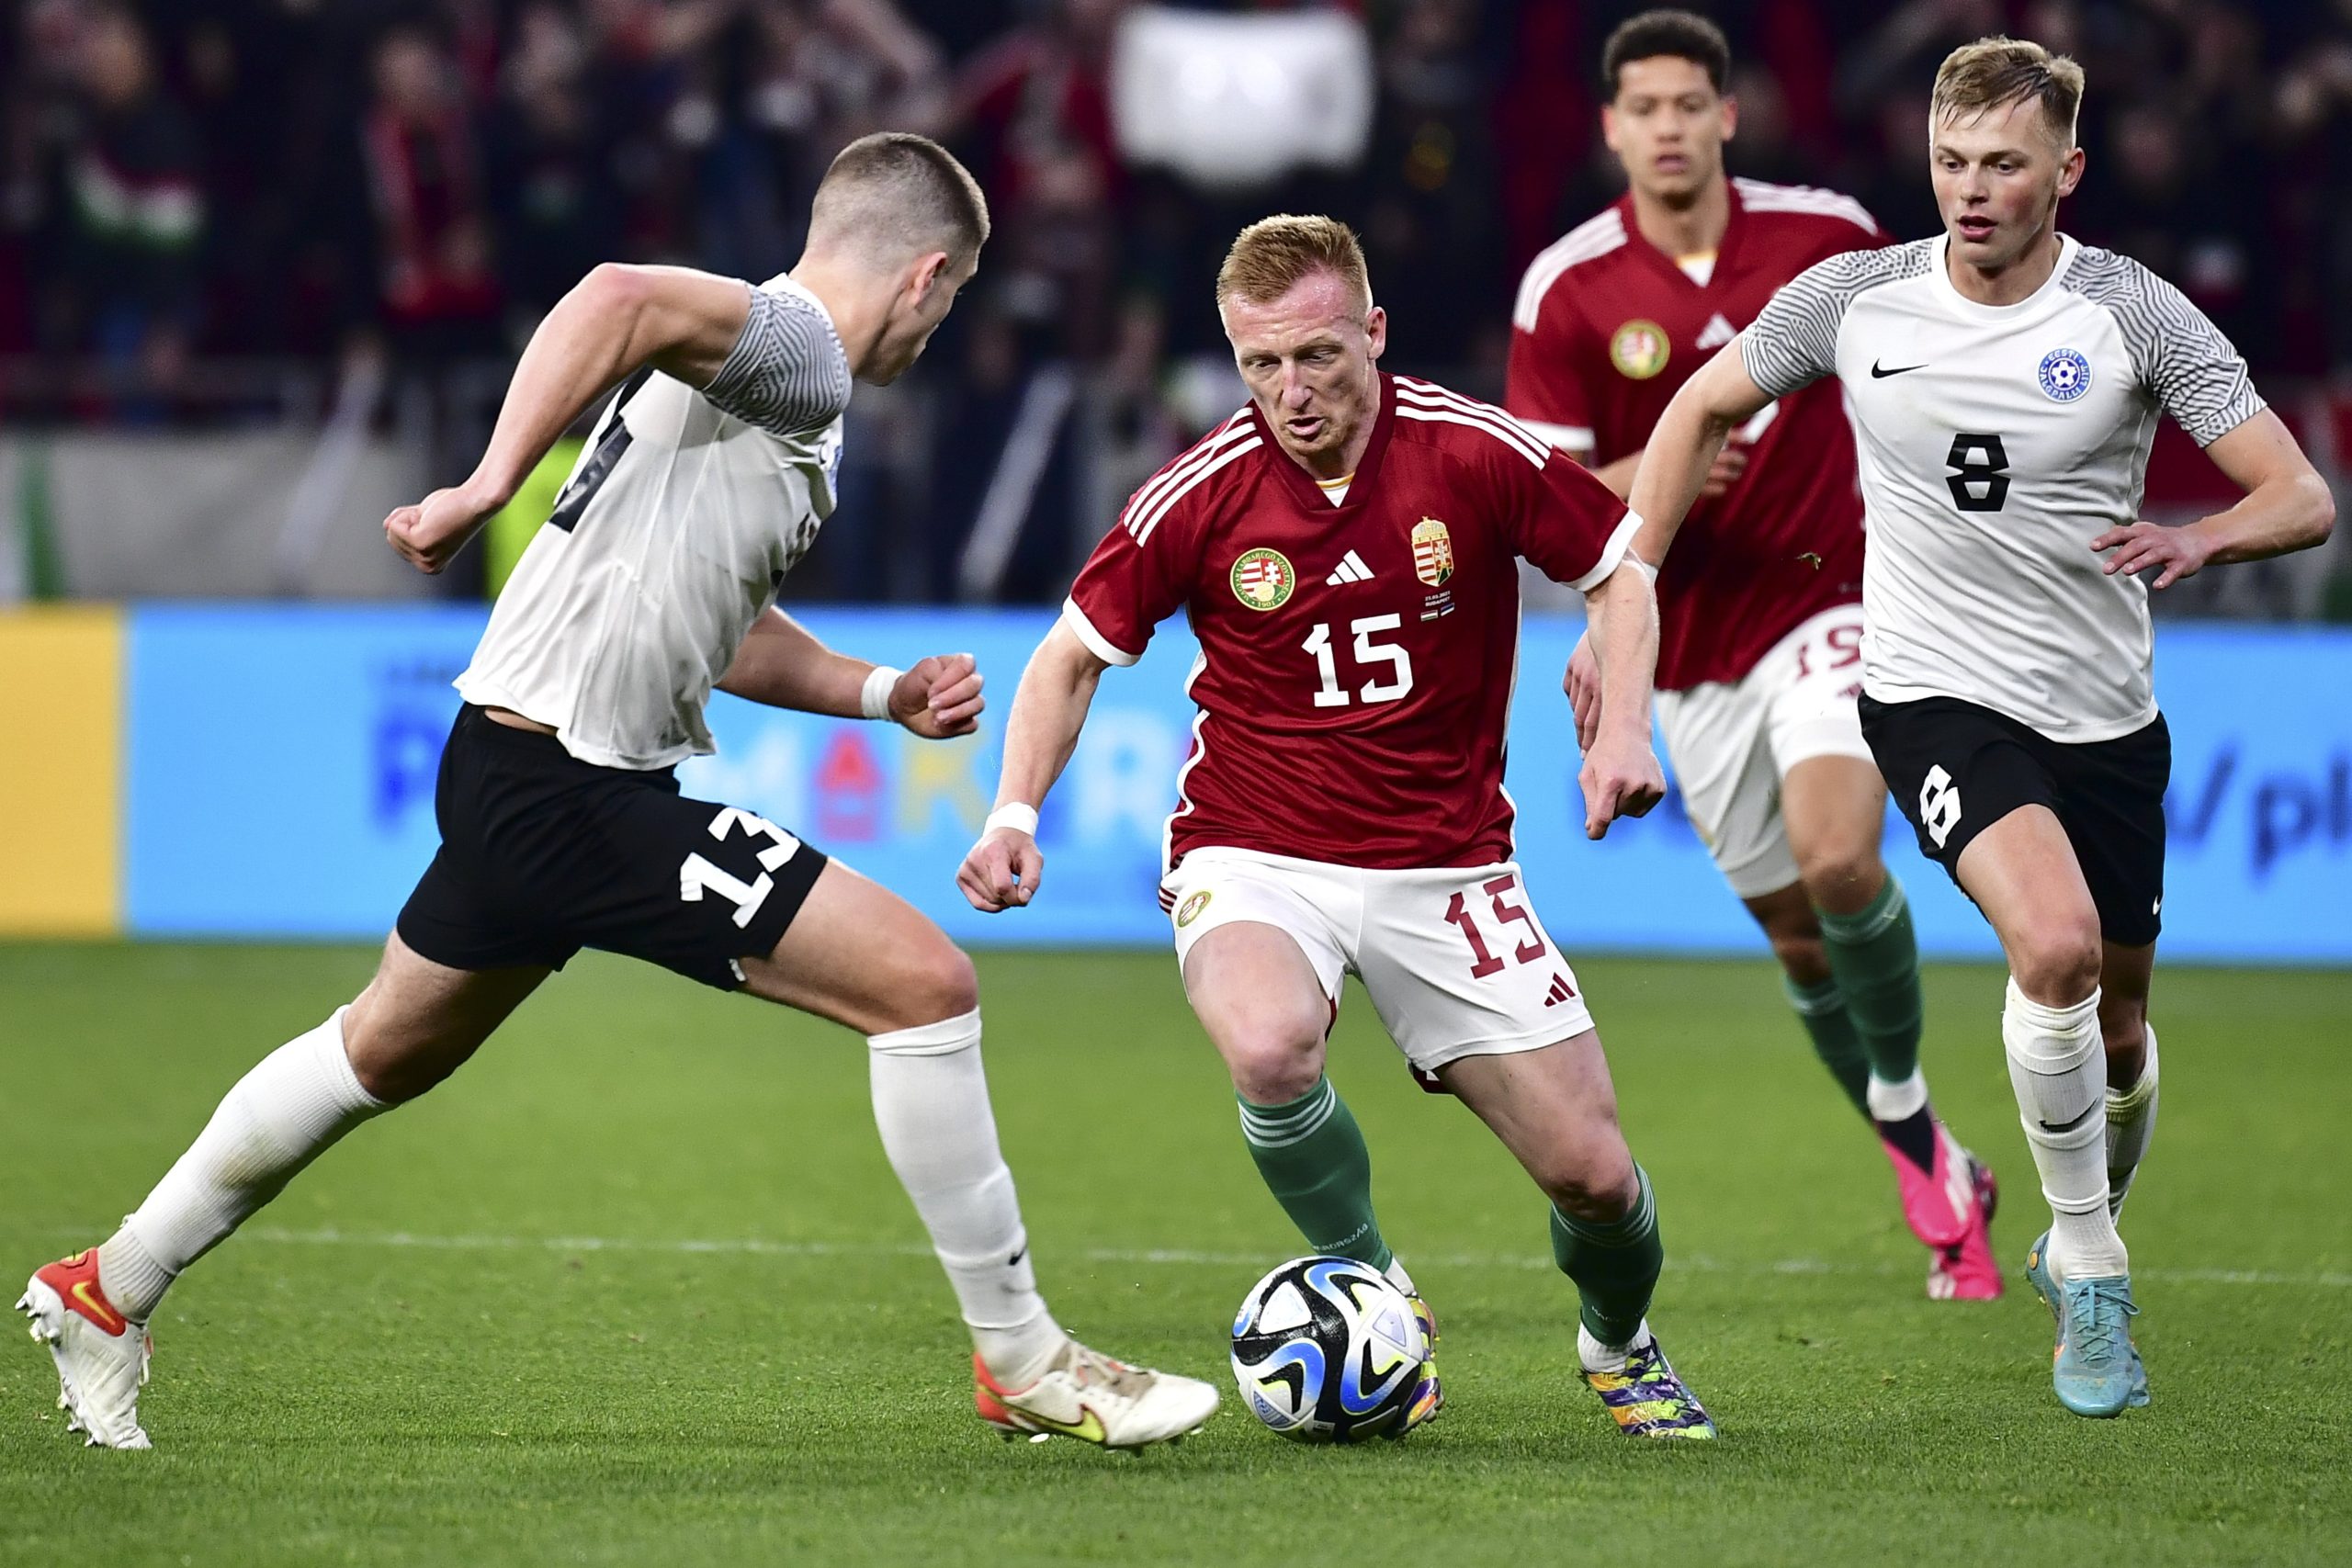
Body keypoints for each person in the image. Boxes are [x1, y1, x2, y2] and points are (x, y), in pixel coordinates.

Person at [18, 132, 1219, 1454]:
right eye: (954, 301)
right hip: (578, 786)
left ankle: (106, 1292)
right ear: (928, 278)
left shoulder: (758, 376)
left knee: (377, 1050)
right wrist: (482, 488)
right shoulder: (801, 346)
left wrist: (884, 697)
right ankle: (1025, 1359)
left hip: (513, 767)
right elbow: (613, 293)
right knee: (925, 986)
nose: (940, 329)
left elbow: (726, 627)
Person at [1625, 39, 2335, 1417]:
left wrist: (2204, 539)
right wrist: (1632, 582)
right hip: (1931, 690)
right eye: (1952, 161)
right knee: (2053, 946)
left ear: (2064, 173)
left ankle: (2083, 1191)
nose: (1971, 188)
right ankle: (2091, 1265)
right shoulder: (1855, 298)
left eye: (2004, 163)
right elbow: (1700, 404)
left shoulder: (2134, 315)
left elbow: (2301, 494)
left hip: (2105, 716)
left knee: (2118, 1029)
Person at [959, 215, 1717, 1440]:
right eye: (1260, 365)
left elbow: (1620, 572)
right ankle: (1379, 1291)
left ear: (1374, 331)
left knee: (1594, 1175)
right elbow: (1065, 659)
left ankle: (1619, 1343)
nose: (1290, 393)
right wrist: (1012, 812)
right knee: (1267, 1049)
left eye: (1317, 357)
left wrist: (1625, 728)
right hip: (1254, 846)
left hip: (1447, 861)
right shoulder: (1199, 492)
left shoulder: (1470, 453)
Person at [1505, 8, 2000, 1301]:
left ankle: (1899, 1104)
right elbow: (1539, 511)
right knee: (1795, 938)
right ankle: (1934, 1156)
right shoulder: (1566, 288)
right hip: (1684, 648)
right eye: (1643, 109)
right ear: (1611, 129)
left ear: (1729, 116)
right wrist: (1659, 471)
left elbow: (1943, 356)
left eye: (1689, 105)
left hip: (1838, 597)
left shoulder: (1828, 235)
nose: (1668, 127)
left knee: (1842, 856)